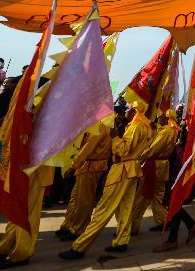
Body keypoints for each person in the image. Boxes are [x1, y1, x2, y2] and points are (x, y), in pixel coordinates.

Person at [59, 102, 153, 260]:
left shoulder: (136, 127)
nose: (126, 112)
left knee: (103, 208)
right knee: (125, 207)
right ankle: (122, 240)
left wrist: (115, 137)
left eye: (130, 109)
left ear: (136, 111)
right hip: (132, 170)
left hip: (122, 170)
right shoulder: (144, 126)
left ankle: (80, 246)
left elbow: (122, 150)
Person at [56, 123, 112, 241]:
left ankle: (79, 229)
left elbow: (88, 147)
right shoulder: (98, 123)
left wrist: (74, 166)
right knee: (76, 197)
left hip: (91, 165)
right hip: (86, 164)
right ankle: (69, 225)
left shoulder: (102, 124)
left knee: (84, 200)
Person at [130, 110, 180, 234]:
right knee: (158, 196)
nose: (159, 118)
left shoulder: (166, 131)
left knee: (142, 196)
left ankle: (131, 226)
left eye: (161, 116)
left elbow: (153, 149)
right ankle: (164, 221)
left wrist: (138, 156)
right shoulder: (172, 129)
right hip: (161, 166)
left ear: (167, 117)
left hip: (155, 166)